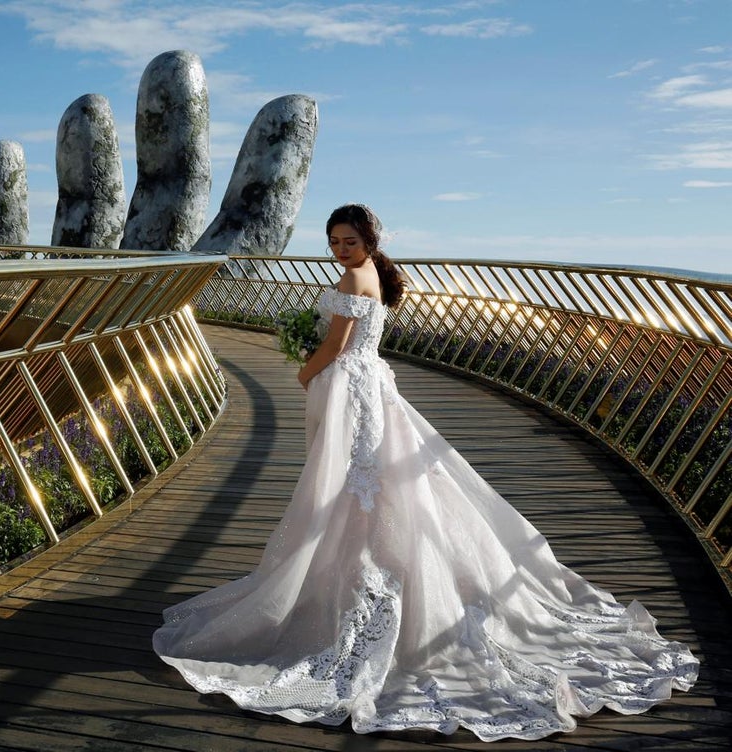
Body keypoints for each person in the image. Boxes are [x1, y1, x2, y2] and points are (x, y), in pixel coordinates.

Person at [152, 203, 697, 741]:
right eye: (335, 241)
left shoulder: (354, 279)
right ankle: (376, 569)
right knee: (375, 485)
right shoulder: (369, 275)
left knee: (357, 485)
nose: (341, 249)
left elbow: (337, 345)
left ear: (369, 240)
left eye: (349, 240)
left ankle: (368, 584)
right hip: (370, 386)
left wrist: (303, 372)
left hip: (352, 388)